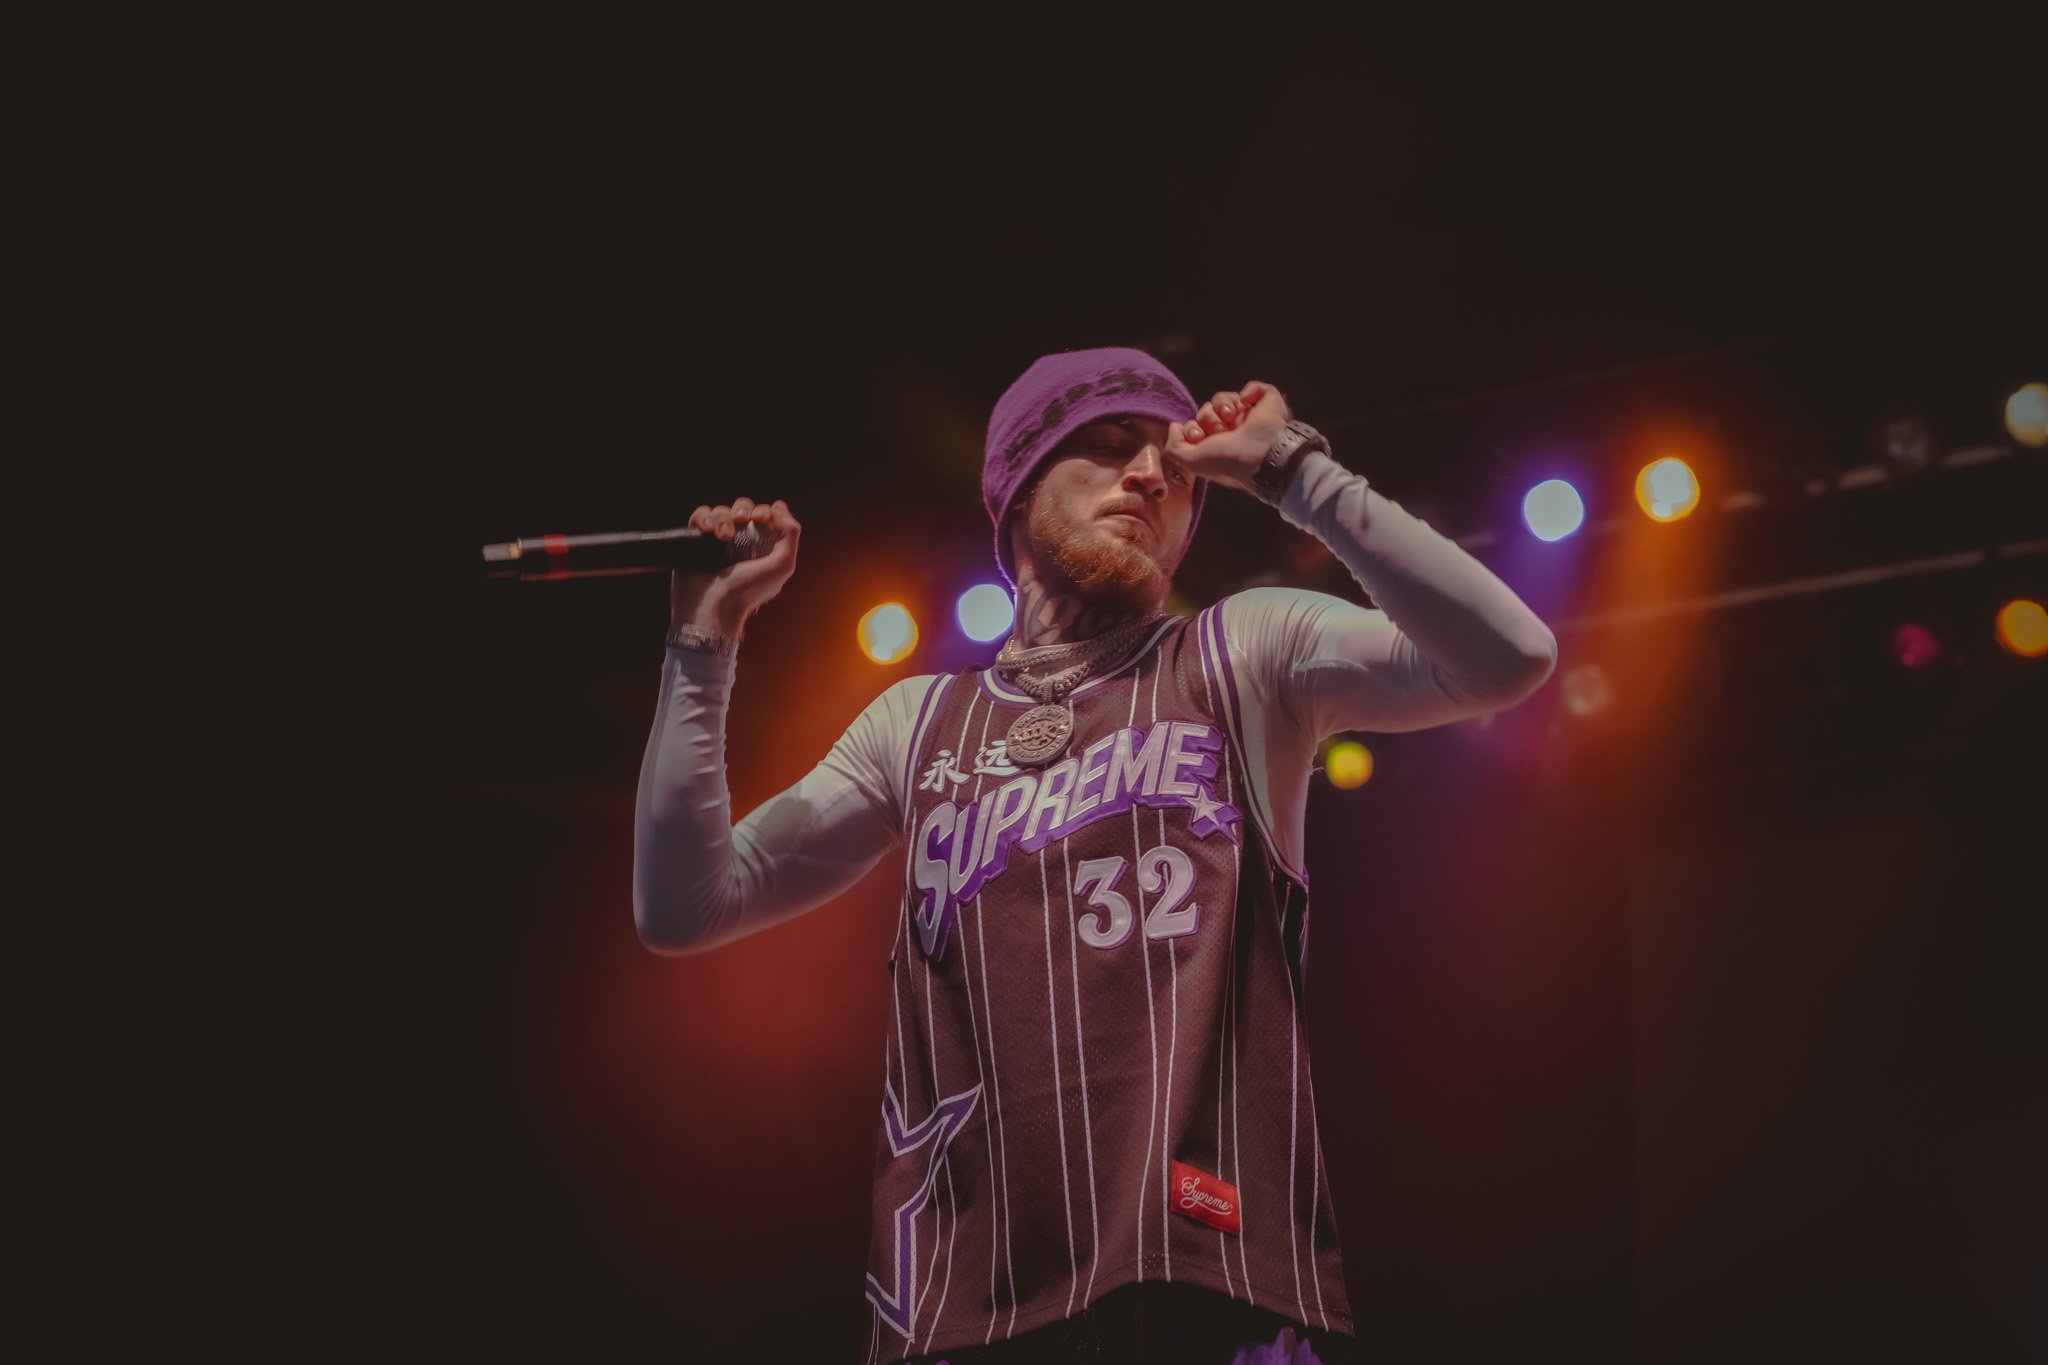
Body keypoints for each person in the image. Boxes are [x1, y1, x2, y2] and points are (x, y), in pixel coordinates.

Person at [634, 347, 1558, 1363]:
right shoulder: (916, 722)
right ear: (1019, 484)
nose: (1151, 475)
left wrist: (1292, 469)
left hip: (1208, 1284)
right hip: (964, 1307)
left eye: (1175, 467)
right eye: (1111, 444)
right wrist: (702, 642)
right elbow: (684, 903)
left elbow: (1507, 656)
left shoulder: (1238, 652)